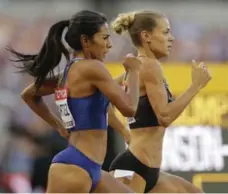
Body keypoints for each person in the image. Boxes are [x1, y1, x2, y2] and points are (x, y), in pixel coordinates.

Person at [8, 10, 141, 193]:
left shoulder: (69, 72)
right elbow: (129, 108)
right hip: (76, 167)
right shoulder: (93, 68)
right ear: (86, 41)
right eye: (104, 38)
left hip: (89, 167)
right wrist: (134, 72)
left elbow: (29, 94)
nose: (109, 45)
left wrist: (58, 126)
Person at [109, 10, 211, 193]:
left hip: (149, 169)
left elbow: (104, 95)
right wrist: (196, 85)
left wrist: (123, 130)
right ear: (146, 36)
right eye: (165, 32)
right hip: (132, 167)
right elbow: (164, 116)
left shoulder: (134, 70)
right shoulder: (149, 65)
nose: (171, 38)